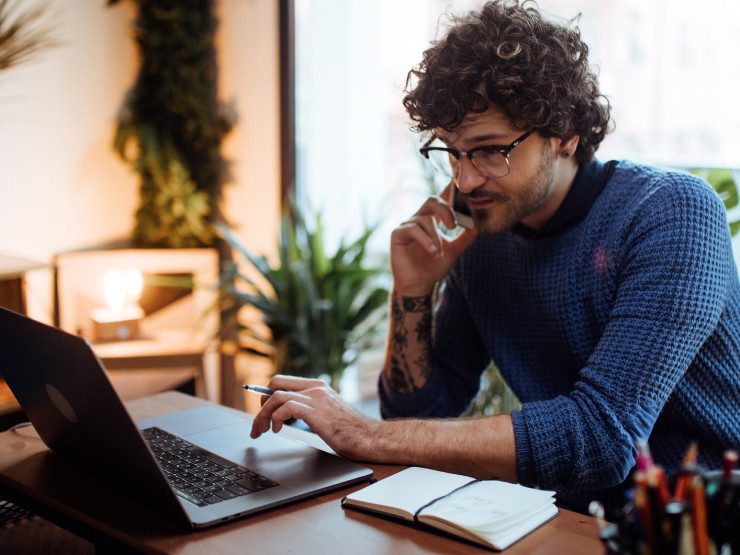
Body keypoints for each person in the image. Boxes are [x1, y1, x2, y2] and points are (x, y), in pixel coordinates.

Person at [251, 0, 740, 516]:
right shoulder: (483, 233)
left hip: (703, 524)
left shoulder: (669, 212)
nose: (464, 180)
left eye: (490, 150)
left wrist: (363, 433)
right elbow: (421, 410)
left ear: (566, 133)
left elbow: (602, 438)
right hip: (566, 522)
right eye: (452, 151)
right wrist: (413, 292)